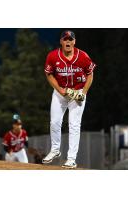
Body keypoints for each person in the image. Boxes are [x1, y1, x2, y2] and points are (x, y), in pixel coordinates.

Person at [42, 30, 96, 168]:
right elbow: (49, 74)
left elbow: (90, 74)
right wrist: (59, 89)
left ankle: (71, 158)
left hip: (77, 92)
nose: (68, 42)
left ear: (74, 42)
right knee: (54, 122)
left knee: (74, 125)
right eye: (65, 39)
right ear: (61, 41)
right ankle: (55, 150)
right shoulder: (53, 56)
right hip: (60, 92)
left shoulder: (83, 56)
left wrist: (83, 92)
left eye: (70, 39)